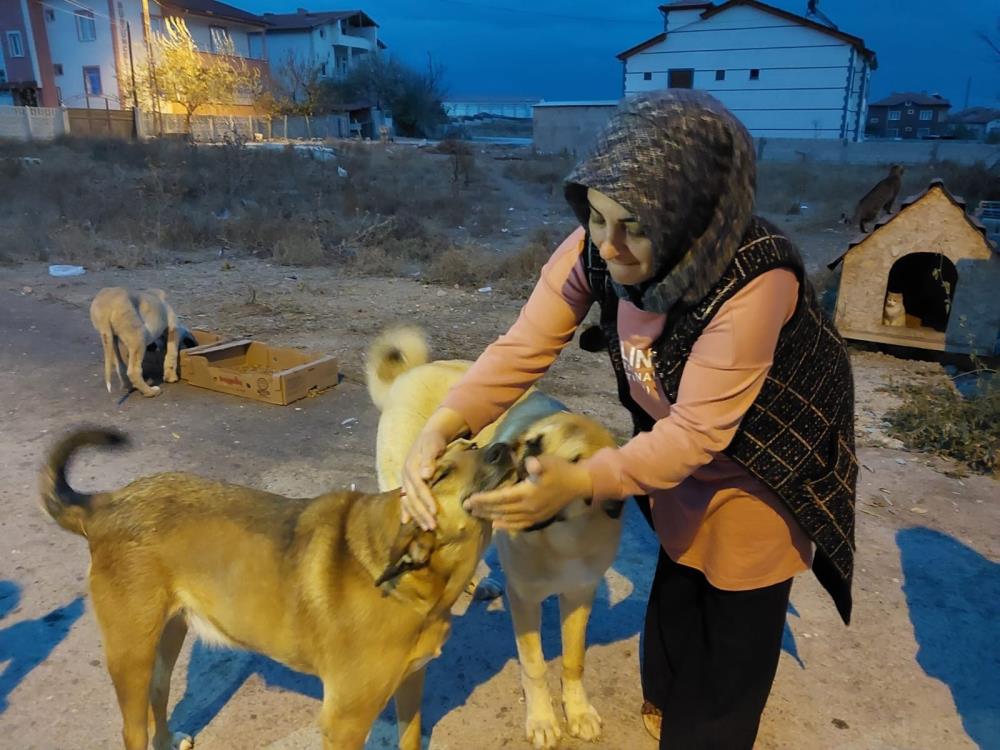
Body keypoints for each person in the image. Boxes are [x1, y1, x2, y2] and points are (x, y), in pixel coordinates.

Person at [400, 90, 858, 750]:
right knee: (681, 558)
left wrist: (583, 482)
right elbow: (524, 345)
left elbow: (699, 435)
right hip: (673, 436)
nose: (607, 247)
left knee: (737, 609)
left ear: (693, 219)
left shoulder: (755, 282)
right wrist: (444, 424)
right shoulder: (597, 244)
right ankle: (665, 701)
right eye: (596, 217)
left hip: (768, 454)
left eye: (634, 227)